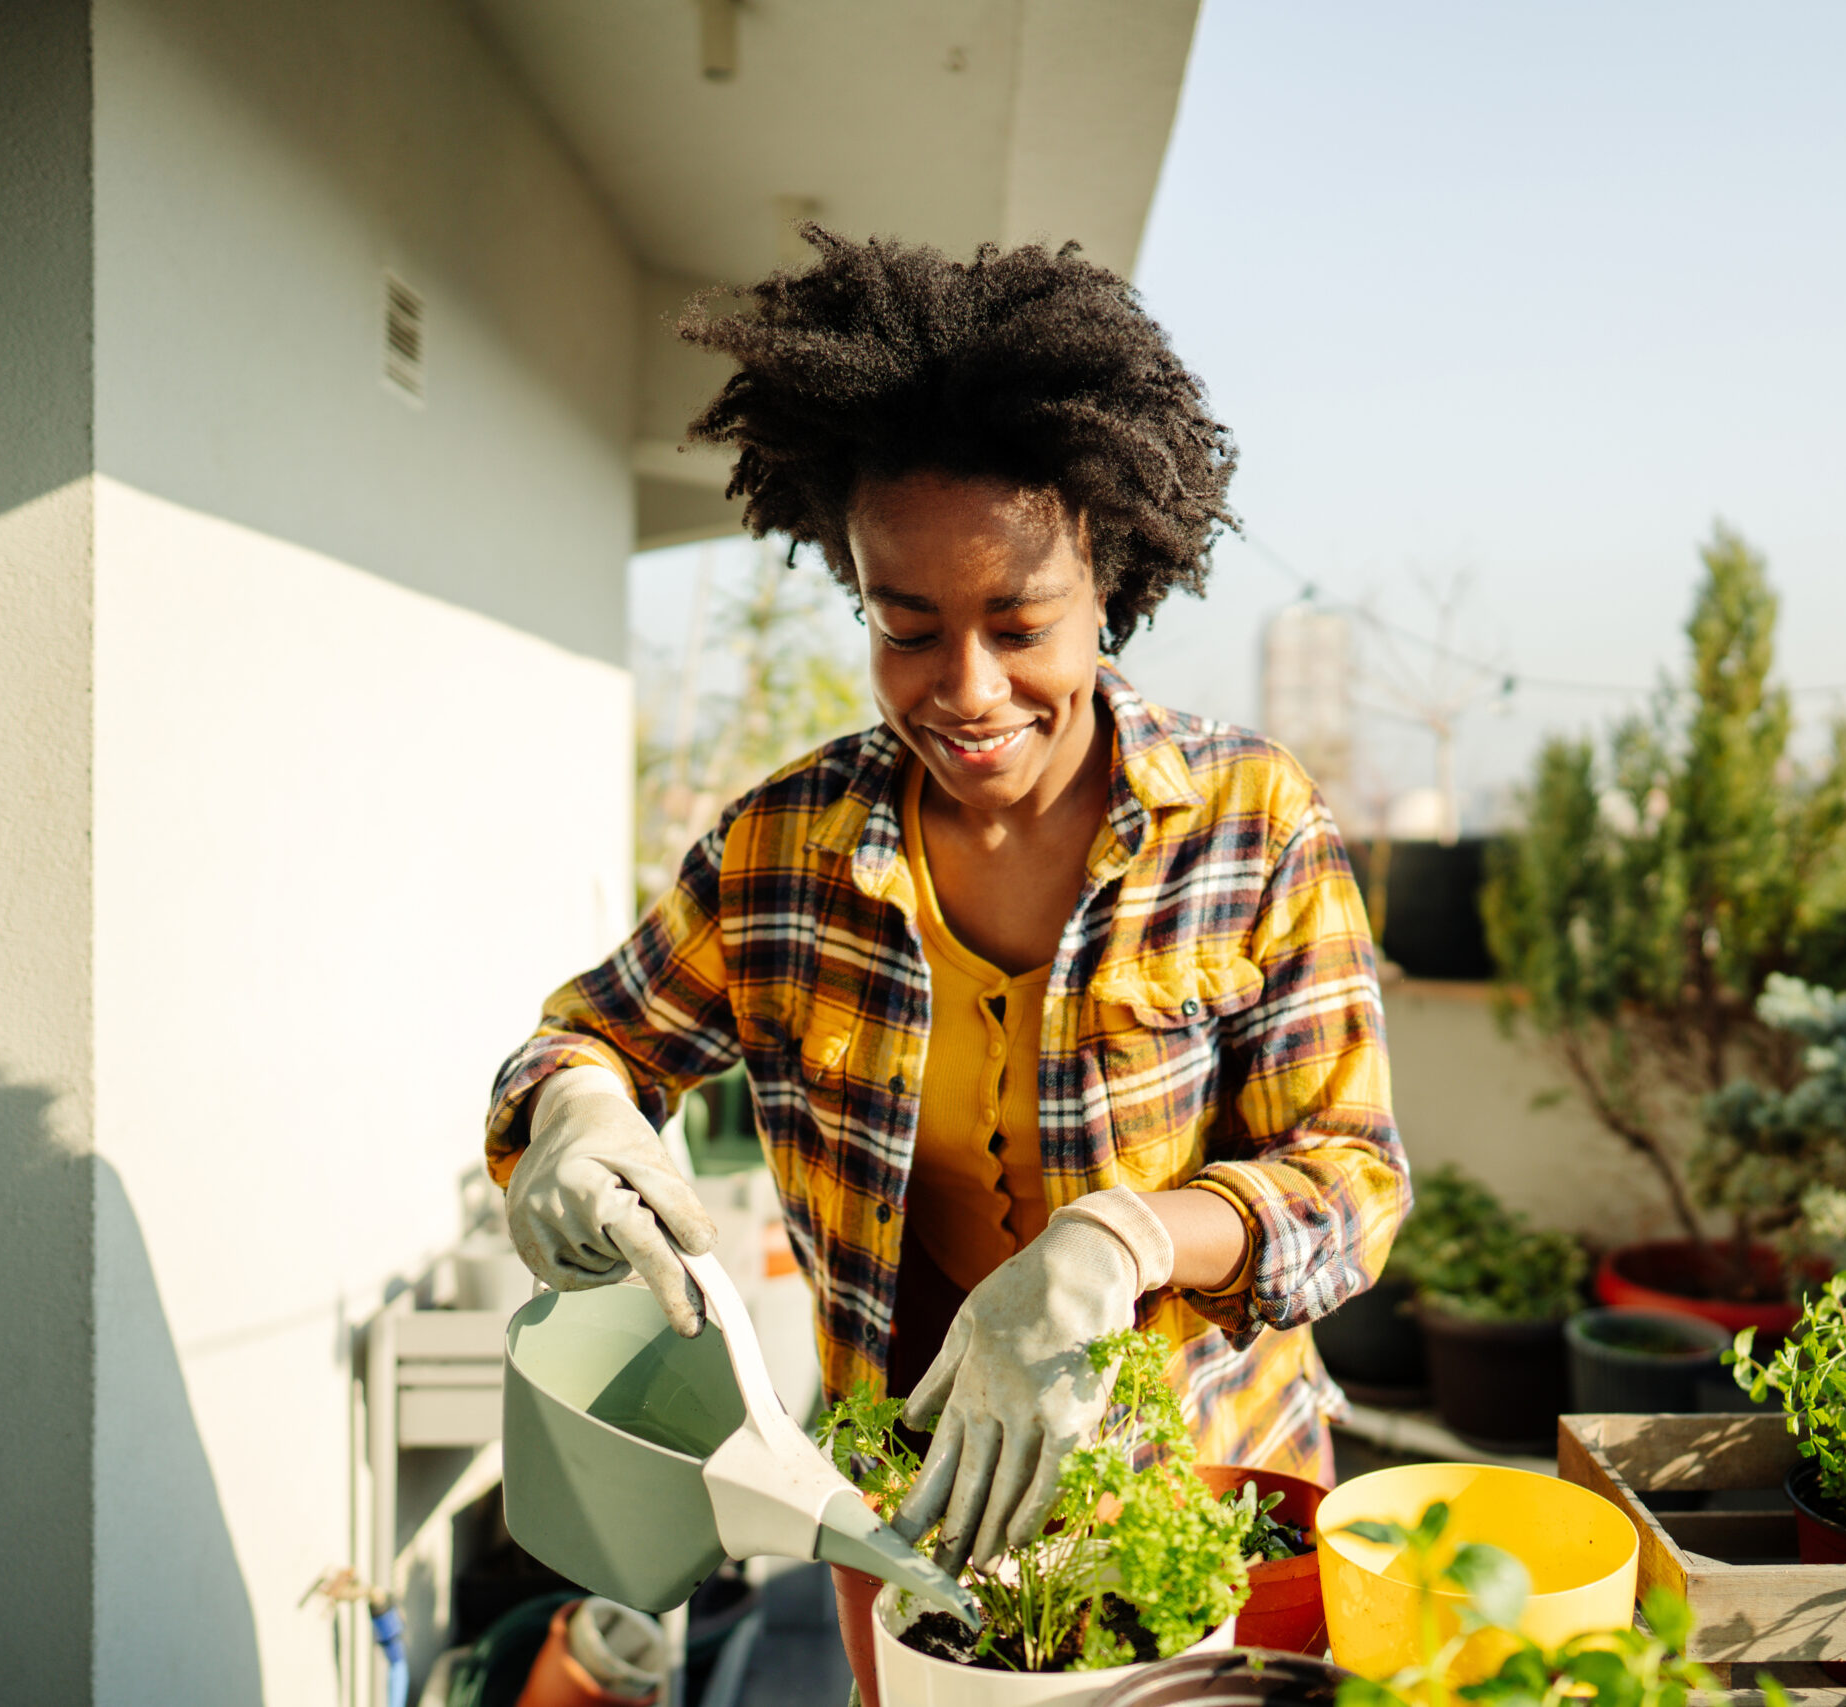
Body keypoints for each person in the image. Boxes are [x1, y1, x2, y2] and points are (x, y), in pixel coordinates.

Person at [486, 229, 1406, 1573]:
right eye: (905, 627)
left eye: (1020, 623)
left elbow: (1352, 1183)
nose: (967, 689)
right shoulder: (780, 855)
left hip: (1199, 1522)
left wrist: (1117, 1241)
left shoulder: (1248, 823)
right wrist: (572, 1116)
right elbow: (590, 1044)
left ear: (1109, 582)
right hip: (913, 1541)